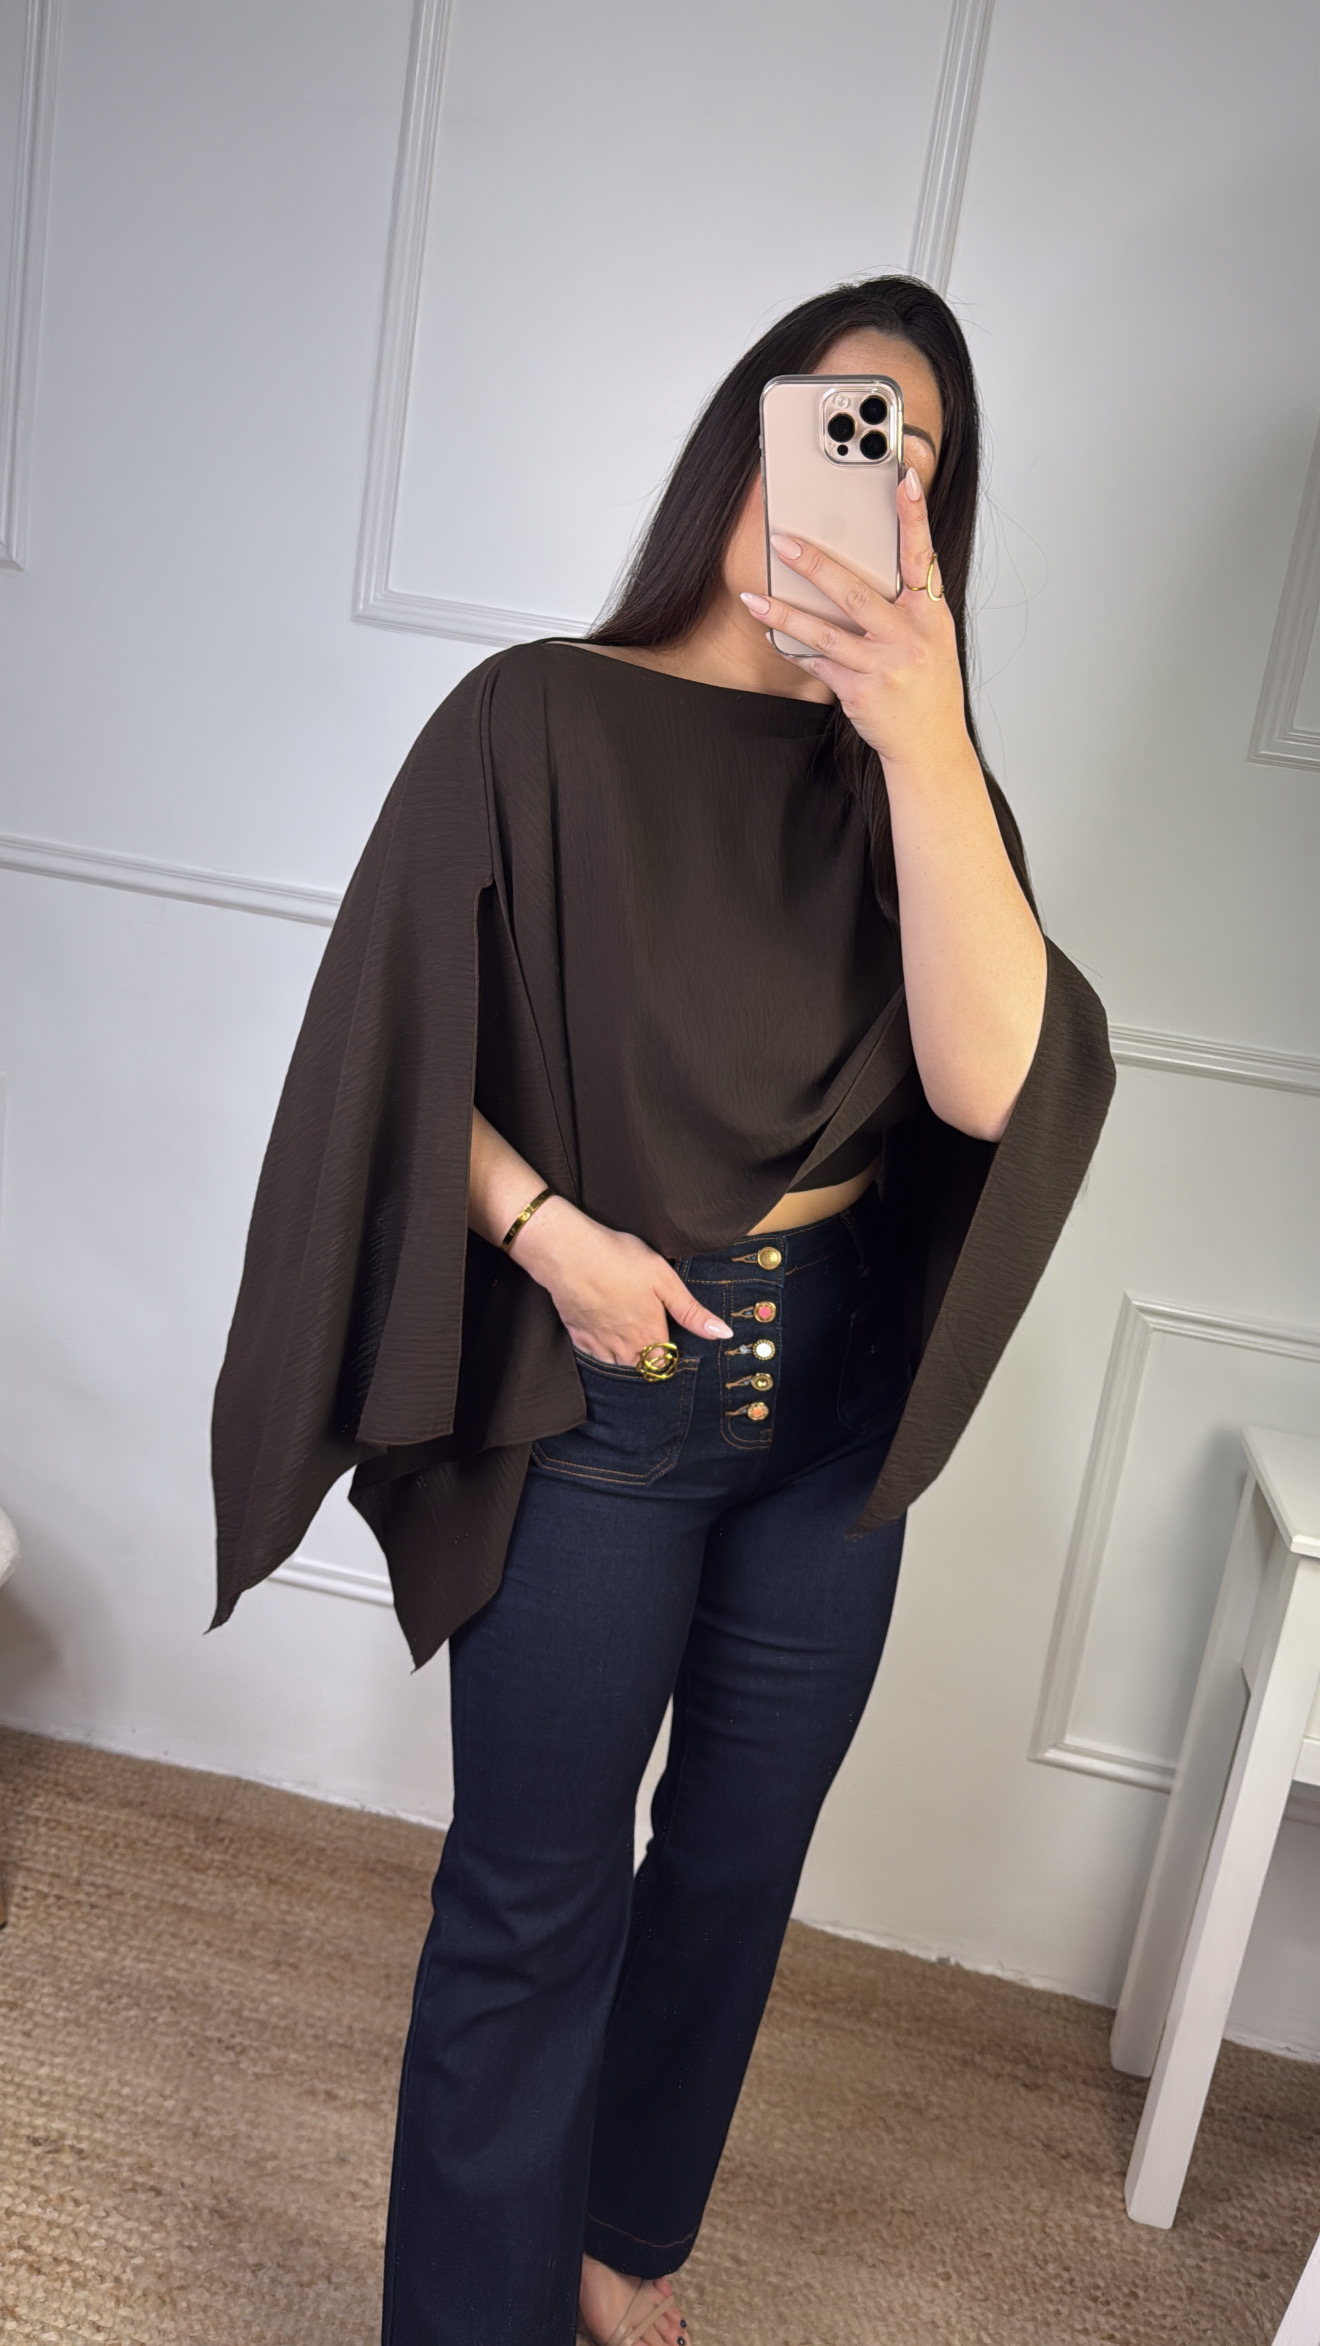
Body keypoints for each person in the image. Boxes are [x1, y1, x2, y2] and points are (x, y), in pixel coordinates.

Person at [209, 277, 1115, 2346]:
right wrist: (547, 1236)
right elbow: (386, 1052)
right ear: (749, 439)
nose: (866, 481)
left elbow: (993, 1080)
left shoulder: (925, 789)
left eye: (914, 465)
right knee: (531, 1902)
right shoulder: (536, 718)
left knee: (731, 1866)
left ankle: (621, 2246)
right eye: (842, 426)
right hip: (601, 1388)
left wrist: (922, 732)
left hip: (836, 1402)